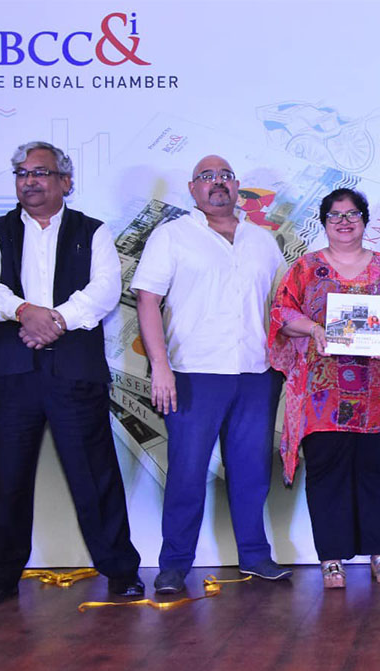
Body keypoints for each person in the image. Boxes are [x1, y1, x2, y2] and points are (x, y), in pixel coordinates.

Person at [0, 141, 142, 608]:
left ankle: (121, 570)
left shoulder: (93, 231)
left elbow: (104, 290)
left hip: (74, 372)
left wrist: (54, 320)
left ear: (65, 179)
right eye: (21, 173)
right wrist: (24, 312)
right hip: (12, 373)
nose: (29, 181)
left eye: (40, 172)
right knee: (7, 477)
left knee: (95, 473)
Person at [130, 155, 290, 594]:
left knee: (252, 470)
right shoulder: (171, 237)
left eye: (224, 176)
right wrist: (160, 365)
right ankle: (174, 565)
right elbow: (147, 301)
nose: (217, 183)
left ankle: (255, 556)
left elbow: (282, 306)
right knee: (186, 470)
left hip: (256, 373)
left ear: (237, 186)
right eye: (207, 177)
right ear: (192, 188)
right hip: (192, 372)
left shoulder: (263, 241)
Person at [268, 188, 380, 588]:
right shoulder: (305, 268)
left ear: (364, 221)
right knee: (326, 473)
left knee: (375, 472)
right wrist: (315, 327)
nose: (344, 221)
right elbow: (282, 312)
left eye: (352, 214)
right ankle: (331, 559)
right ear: (324, 223)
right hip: (323, 391)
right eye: (335, 215)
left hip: (379, 391)